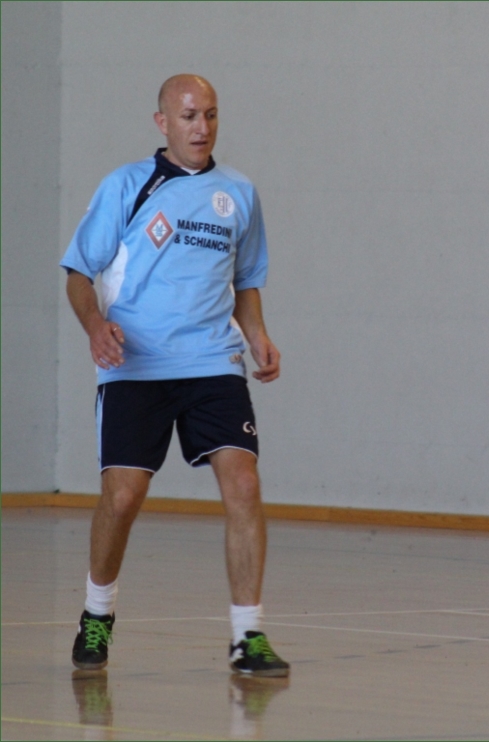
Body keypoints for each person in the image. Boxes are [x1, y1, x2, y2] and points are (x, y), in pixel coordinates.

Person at [61, 74, 289, 678]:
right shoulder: (127, 185)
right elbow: (78, 274)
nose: (202, 127)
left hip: (213, 361)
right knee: (122, 497)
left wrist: (258, 336)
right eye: (189, 116)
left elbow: (246, 282)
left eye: (210, 115)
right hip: (135, 365)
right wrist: (95, 327)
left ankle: (248, 636)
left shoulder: (239, 192)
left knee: (244, 484)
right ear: (162, 122)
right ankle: (97, 613)